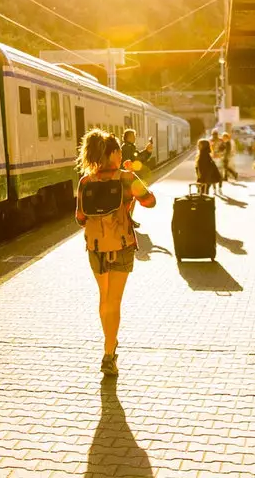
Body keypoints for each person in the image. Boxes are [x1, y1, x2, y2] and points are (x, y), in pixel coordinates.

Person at [76, 129, 156, 376]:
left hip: (96, 247)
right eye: (119, 151)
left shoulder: (85, 181)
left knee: (104, 298)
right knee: (115, 301)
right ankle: (109, 353)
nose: (121, 154)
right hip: (121, 246)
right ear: (112, 154)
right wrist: (134, 181)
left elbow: (80, 218)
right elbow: (150, 201)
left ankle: (109, 345)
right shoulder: (126, 177)